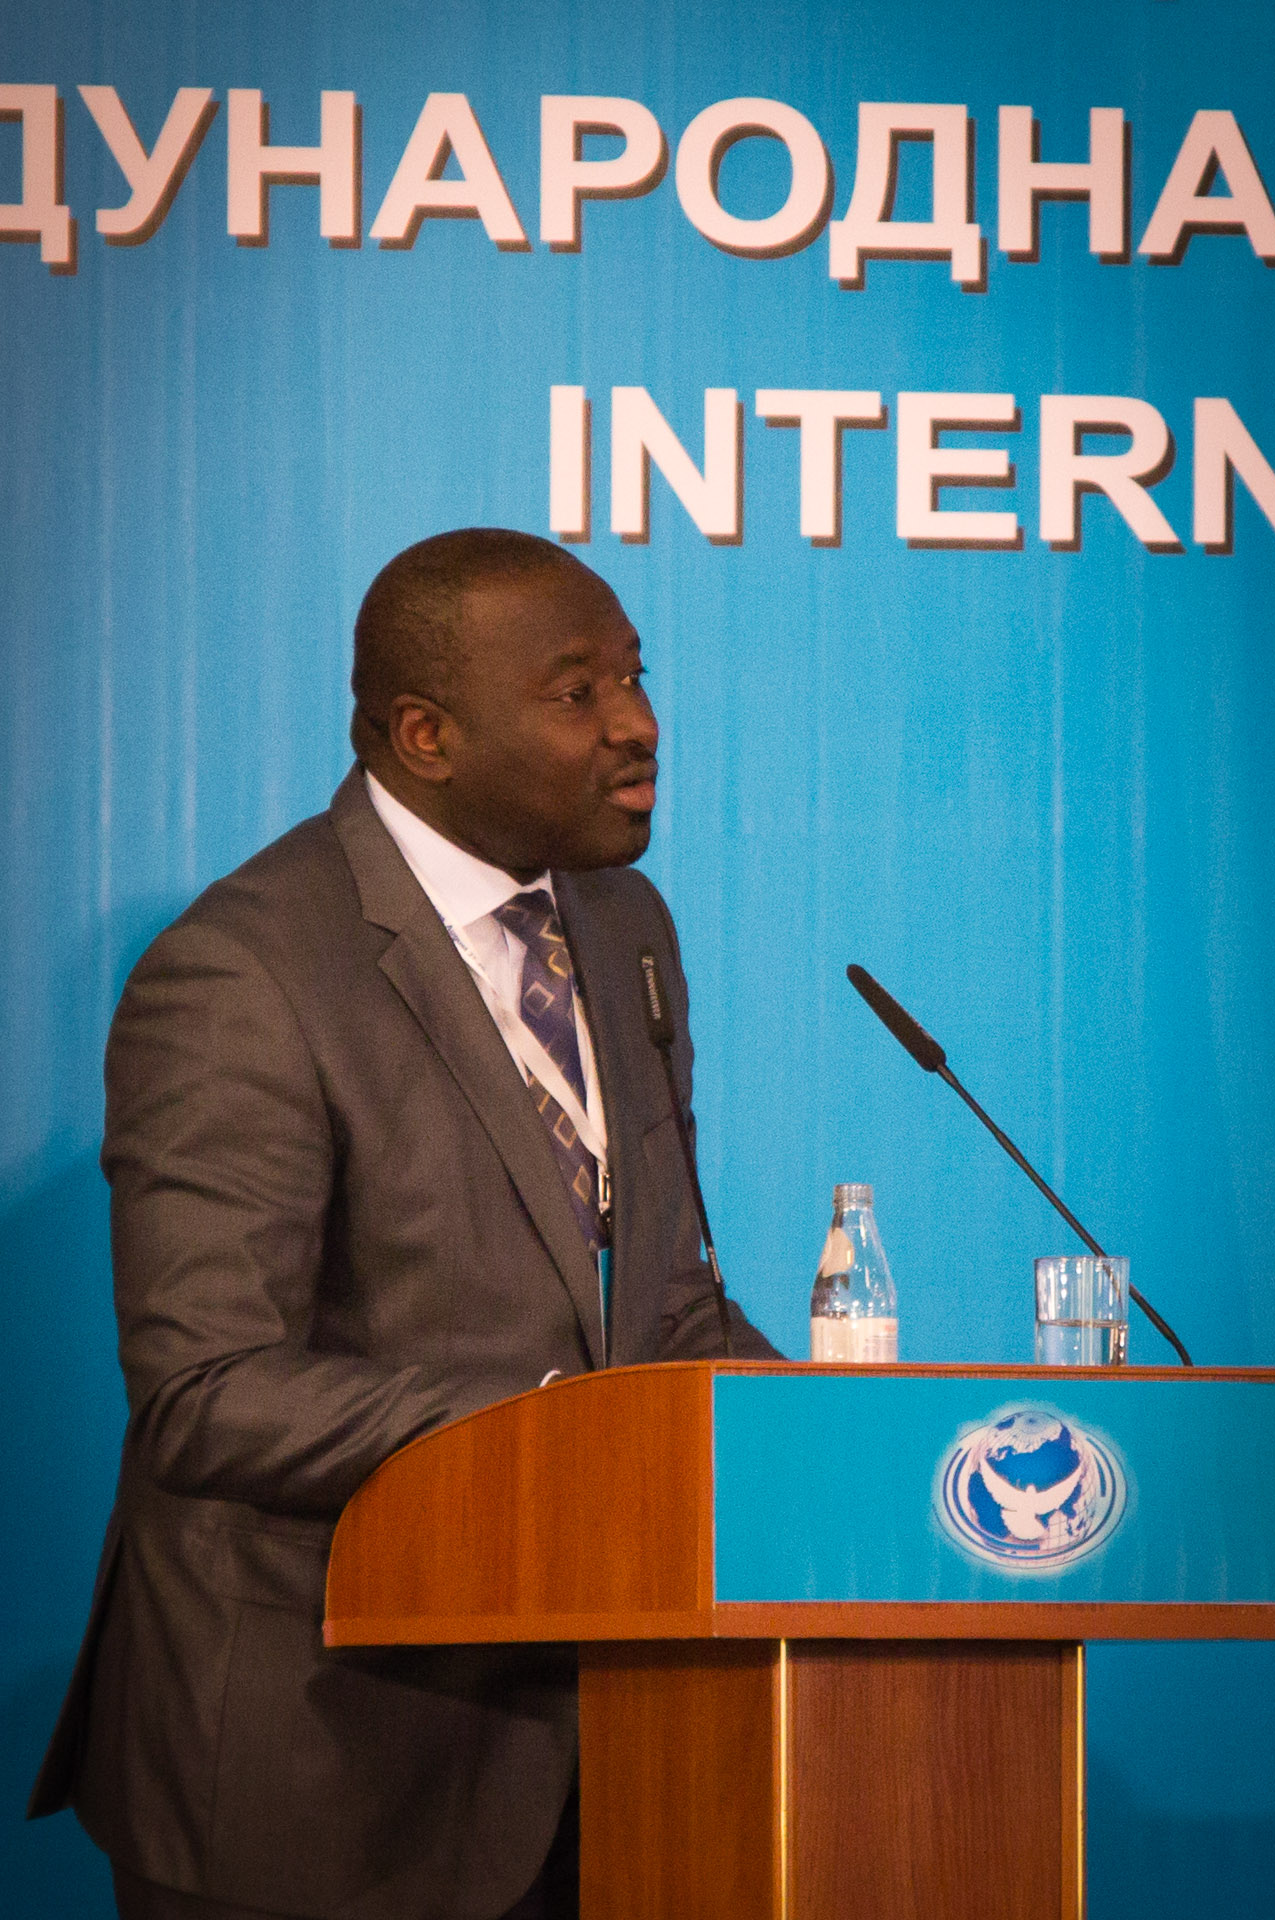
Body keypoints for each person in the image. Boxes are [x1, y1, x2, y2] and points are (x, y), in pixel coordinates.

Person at [29, 529, 776, 1920]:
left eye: (636, 674)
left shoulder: (625, 928)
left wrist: (825, 1449)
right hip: (317, 1768)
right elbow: (208, 1393)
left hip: (604, 1747)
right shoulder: (243, 971)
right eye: (578, 692)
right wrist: (552, 1433)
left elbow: (660, 1300)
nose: (639, 724)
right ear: (423, 735)